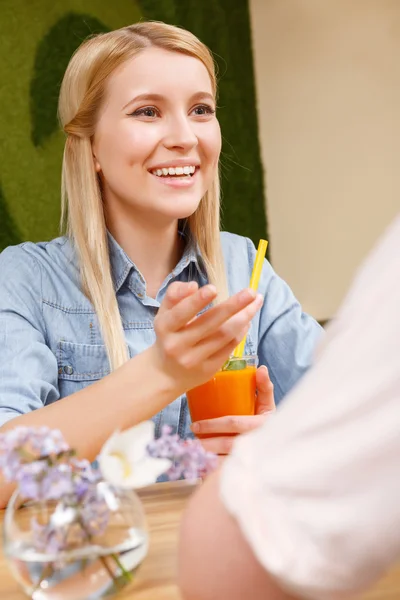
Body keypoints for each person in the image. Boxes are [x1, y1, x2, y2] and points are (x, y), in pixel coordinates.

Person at [0, 22, 321, 505]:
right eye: (148, 111)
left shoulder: (244, 268)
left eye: (200, 110)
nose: (184, 136)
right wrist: (163, 372)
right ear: (89, 148)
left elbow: (362, 422)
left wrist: (281, 448)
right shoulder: (25, 279)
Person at [178, 214, 400, 600]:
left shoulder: (242, 259)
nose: (184, 147)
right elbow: (34, 454)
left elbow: (335, 407)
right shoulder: (38, 275)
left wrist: (279, 440)